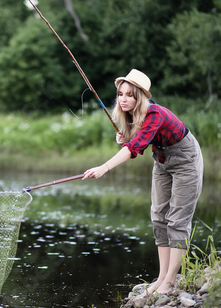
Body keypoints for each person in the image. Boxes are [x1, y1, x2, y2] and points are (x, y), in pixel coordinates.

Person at [82, 69, 203, 294]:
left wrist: (104, 167)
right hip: (162, 158)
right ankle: (161, 279)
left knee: (177, 219)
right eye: (120, 94)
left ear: (140, 97)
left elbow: (134, 149)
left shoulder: (154, 113)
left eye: (130, 94)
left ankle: (170, 281)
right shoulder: (130, 114)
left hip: (186, 158)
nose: (123, 99)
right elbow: (137, 139)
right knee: (158, 216)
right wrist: (126, 136)